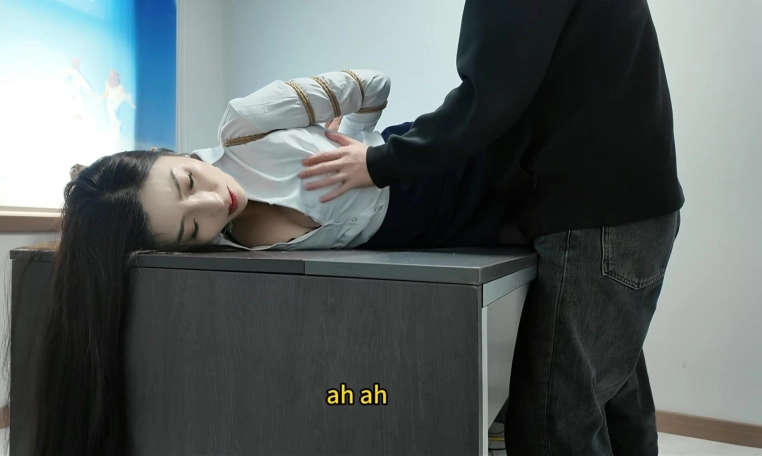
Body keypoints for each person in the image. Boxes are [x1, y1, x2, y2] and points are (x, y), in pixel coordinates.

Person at [32, 68, 510, 456]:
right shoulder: (217, 253)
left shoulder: (247, 125)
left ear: (165, 153)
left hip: (441, 159)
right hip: (453, 234)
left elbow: (374, 84)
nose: (214, 204)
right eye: (191, 228)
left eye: (189, 181)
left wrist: (362, 152)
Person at [299, 1, 684, 455]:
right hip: (629, 208)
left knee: (553, 426)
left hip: (598, 219)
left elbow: (490, 99)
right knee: (616, 402)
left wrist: (381, 161)